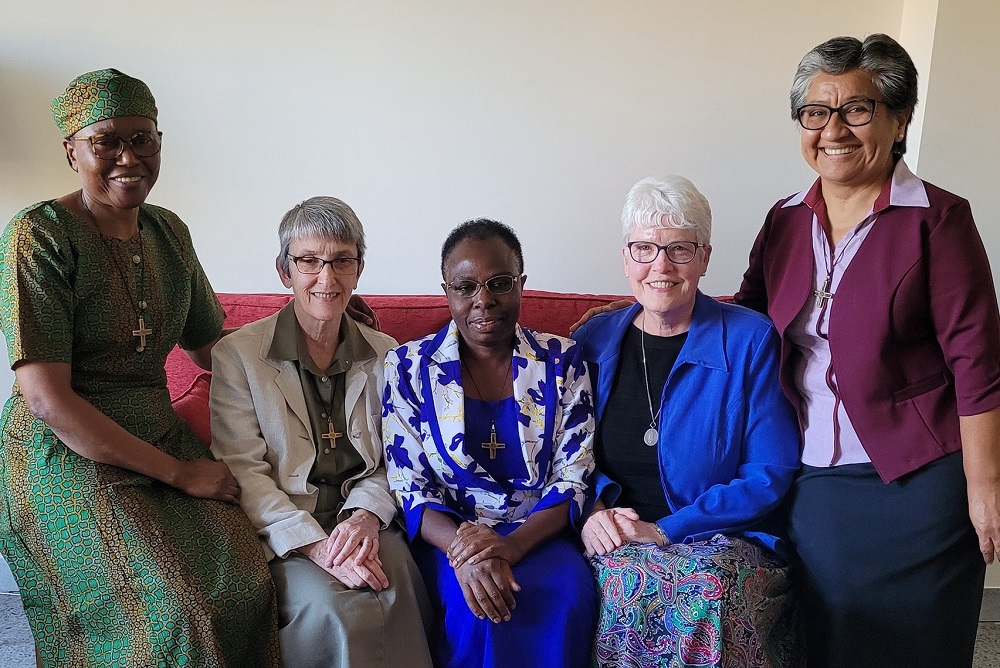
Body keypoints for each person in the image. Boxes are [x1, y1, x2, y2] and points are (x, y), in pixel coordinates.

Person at [734, 34, 1000, 667]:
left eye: (857, 109)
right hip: (813, 475)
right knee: (827, 636)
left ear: (899, 118)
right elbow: (743, 316)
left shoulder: (939, 219)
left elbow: (978, 361)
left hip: (919, 474)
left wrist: (985, 485)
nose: (834, 130)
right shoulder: (784, 219)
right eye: (816, 112)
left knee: (918, 642)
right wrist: (648, 312)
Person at [0, 69, 279, 665]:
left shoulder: (167, 232)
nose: (129, 156)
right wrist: (182, 474)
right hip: (63, 452)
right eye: (107, 141)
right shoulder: (36, 236)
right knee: (172, 611)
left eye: (144, 138)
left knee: (246, 581)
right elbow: (48, 399)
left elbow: (213, 348)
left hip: (157, 431)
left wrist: (310, 327)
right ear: (71, 150)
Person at [572, 176, 801, 668]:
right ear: (625, 257)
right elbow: (563, 454)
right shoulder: (593, 341)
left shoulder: (749, 340)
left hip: (720, 537)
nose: (660, 265)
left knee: (704, 592)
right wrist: (593, 512)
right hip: (614, 529)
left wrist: (666, 530)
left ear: (704, 257)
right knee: (604, 582)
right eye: (644, 248)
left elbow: (769, 472)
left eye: (679, 248)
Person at [209, 196, 433, 668]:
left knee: (398, 592)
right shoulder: (238, 356)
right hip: (286, 529)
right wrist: (313, 543)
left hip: (363, 521)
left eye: (341, 261)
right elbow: (242, 470)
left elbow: (399, 457)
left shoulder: (387, 352)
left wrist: (366, 518)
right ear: (284, 271)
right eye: (309, 261)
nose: (326, 278)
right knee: (331, 608)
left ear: (359, 268)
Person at [382, 219, 598, 667]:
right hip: (449, 540)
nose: (484, 300)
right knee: (478, 610)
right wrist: (467, 551)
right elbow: (410, 485)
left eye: (499, 283)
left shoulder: (562, 360)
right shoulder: (406, 368)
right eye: (466, 287)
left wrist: (513, 546)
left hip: (537, 535)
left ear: (521, 284)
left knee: (568, 596)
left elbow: (572, 477)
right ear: (447, 291)